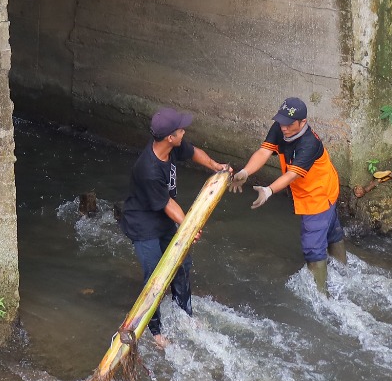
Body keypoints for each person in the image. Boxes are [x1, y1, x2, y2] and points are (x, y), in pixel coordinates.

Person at [120, 107, 232, 349]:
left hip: (162, 218)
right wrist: (188, 226)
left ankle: (185, 315)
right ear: (170, 136)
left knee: (182, 264)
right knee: (155, 277)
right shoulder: (147, 169)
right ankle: (154, 330)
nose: (184, 131)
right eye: (181, 129)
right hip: (143, 224)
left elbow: (193, 153)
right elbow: (168, 203)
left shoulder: (172, 145)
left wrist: (216, 166)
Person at [228, 97, 346, 294]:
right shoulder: (280, 128)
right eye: (281, 121)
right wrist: (246, 172)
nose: (284, 128)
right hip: (322, 187)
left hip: (318, 194)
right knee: (332, 231)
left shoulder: (309, 143)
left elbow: (292, 174)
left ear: (303, 123)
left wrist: (268, 191)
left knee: (312, 247)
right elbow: (264, 152)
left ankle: (321, 295)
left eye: (289, 124)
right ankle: (343, 271)